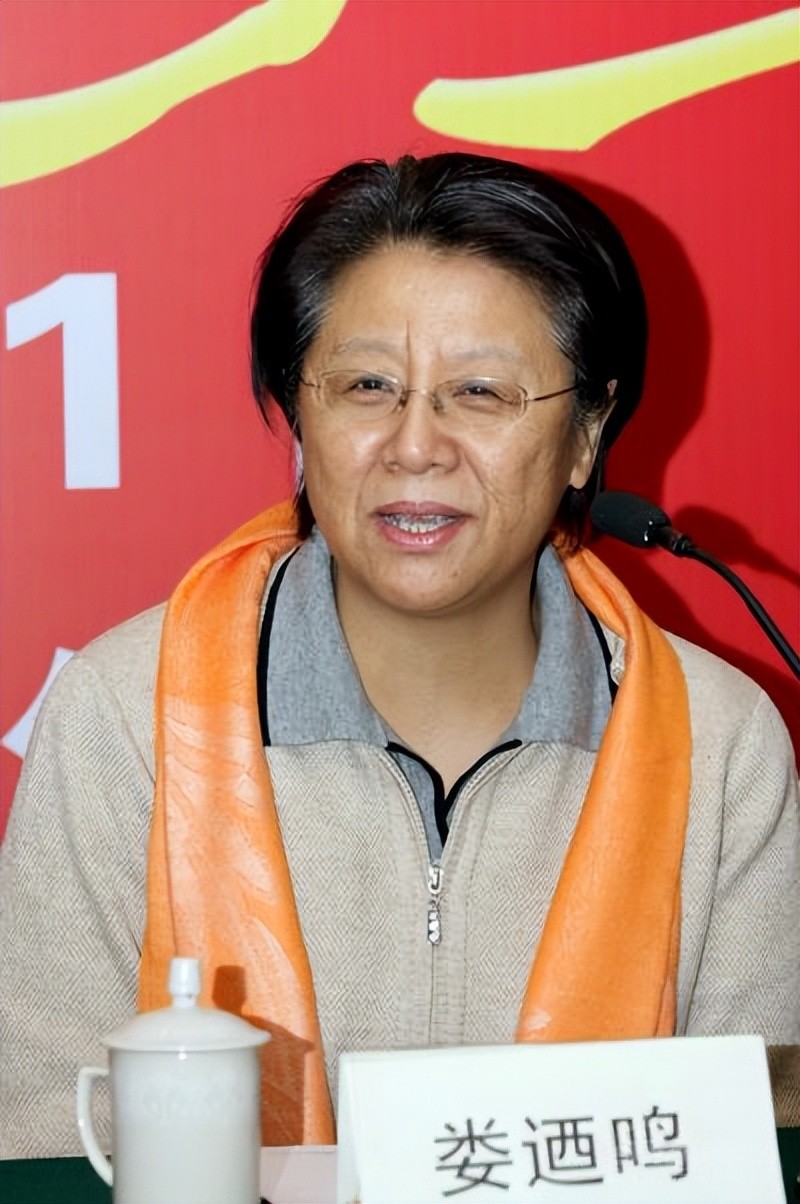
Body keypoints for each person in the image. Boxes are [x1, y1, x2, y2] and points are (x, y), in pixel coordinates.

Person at [1, 154, 797, 1158]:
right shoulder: (127, 717)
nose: (415, 445)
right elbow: (46, 1142)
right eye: (367, 385)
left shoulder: (719, 744)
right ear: (299, 411)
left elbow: (757, 1144)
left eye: (481, 391)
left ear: (586, 434)